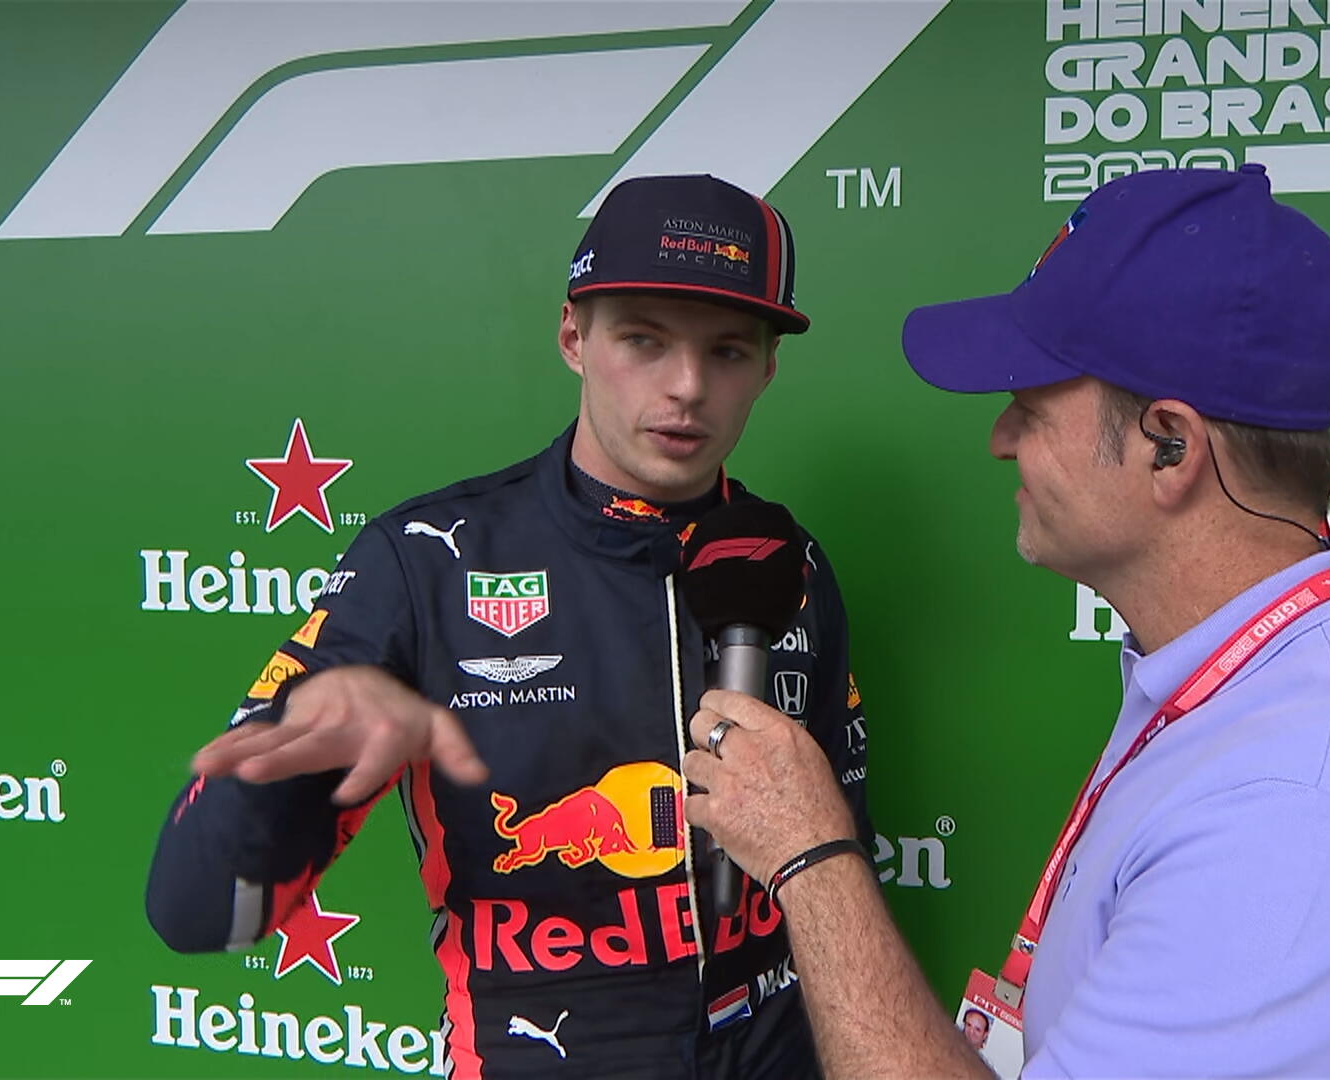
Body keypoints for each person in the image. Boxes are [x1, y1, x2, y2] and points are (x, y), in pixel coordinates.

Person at [682, 165, 1330, 1078]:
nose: (999, 440)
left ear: (1169, 447)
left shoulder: (1306, 814)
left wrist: (812, 856)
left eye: (1030, 406)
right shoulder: (1247, 700)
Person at [145, 174, 873, 1080]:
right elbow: (197, 911)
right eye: (643, 340)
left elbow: (845, 873)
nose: (687, 387)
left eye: (727, 351)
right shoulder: (423, 563)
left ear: (767, 368)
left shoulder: (788, 562)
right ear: (574, 337)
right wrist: (290, 762)